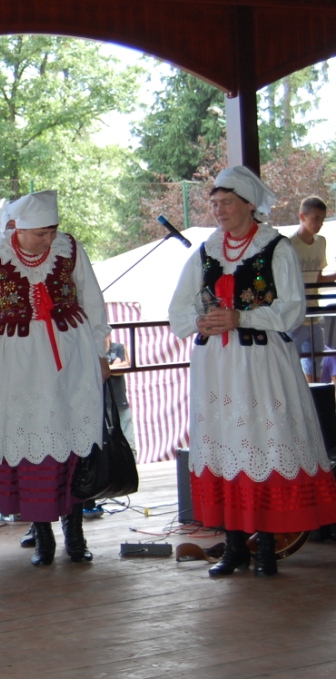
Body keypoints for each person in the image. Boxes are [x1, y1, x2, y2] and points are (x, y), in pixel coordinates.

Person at [168, 166, 336, 577]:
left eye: (226, 203)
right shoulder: (206, 251)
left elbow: (292, 309)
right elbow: (178, 310)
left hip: (261, 364)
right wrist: (200, 321)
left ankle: (265, 547)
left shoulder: (275, 248)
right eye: (214, 203)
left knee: (265, 440)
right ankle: (234, 547)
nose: (218, 210)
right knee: (226, 443)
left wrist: (241, 318)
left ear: (248, 204)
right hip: (217, 365)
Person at [0, 190, 110, 566]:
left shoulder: (69, 250)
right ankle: (42, 535)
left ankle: (75, 533)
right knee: (30, 446)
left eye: (52, 231)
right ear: (18, 228)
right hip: (17, 368)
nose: (49, 239)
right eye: (41, 233)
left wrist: (100, 353)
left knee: (73, 442)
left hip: (70, 362)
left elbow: (92, 300)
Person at [289, 196, 333, 381]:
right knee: (289, 362)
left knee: (316, 363)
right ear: (302, 216)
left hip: (314, 314)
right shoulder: (289, 244)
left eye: (322, 219)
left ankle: (312, 396)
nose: (320, 223)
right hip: (295, 316)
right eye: (315, 218)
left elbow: (318, 278)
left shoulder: (321, 242)